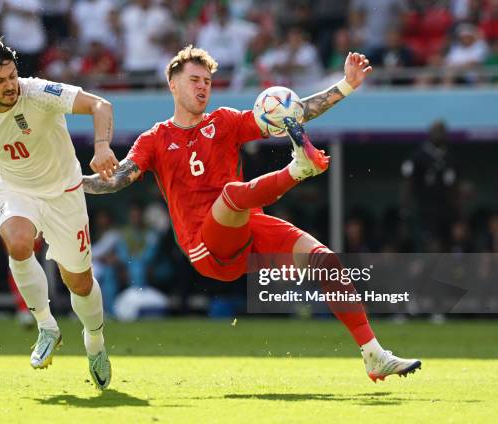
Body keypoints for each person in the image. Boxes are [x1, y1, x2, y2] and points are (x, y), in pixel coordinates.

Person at [83, 45, 422, 382]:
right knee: (232, 194)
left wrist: (346, 85)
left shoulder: (225, 121)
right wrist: (73, 183)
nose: (203, 87)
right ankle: (296, 171)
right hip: (204, 245)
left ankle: (374, 355)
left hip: (246, 227)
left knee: (327, 261)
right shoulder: (154, 139)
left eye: (208, 81)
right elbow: (116, 179)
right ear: (172, 84)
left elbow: (293, 113)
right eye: (195, 80)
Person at [0, 36, 116, 389]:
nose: (10, 85)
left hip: (64, 192)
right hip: (17, 190)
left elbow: (100, 105)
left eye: (12, 76)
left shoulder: (39, 92)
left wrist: (102, 146)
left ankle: (95, 343)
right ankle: (46, 326)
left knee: (80, 282)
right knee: (16, 242)